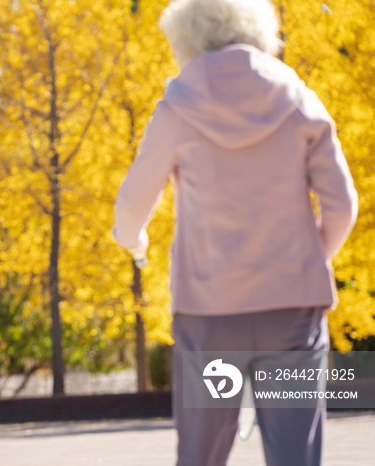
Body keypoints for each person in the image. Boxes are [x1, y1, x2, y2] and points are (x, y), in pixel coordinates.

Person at [113, 0, 358, 465]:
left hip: (209, 314)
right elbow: (342, 205)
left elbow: (130, 207)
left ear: (185, 38)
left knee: (202, 457)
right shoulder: (299, 98)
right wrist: (309, 260)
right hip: (291, 313)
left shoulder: (178, 106)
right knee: (295, 458)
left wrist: (134, 242)